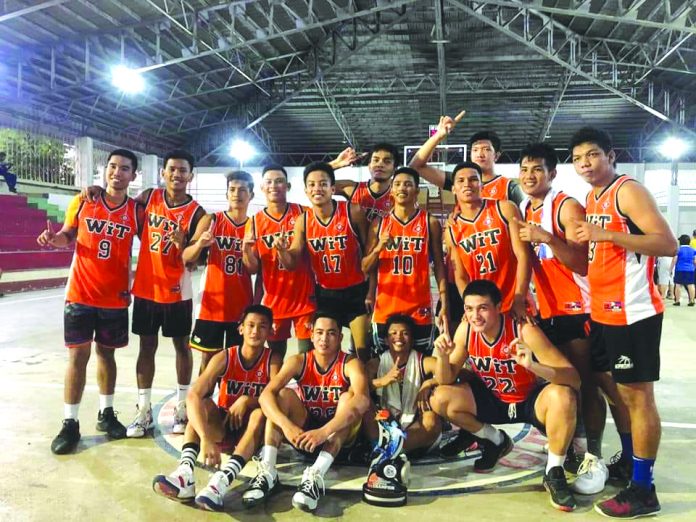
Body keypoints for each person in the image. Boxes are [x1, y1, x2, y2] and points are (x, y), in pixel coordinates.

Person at [569, 127, 677, 518]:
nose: (585, 163)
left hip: (633, 312)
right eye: (579, 158)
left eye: (593, 155)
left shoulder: (628, 190)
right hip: (603, 311)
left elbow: (667, 244)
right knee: (613, 390)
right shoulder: (592, 196)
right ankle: (632, 463)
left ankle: (643, 489)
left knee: (638, 398)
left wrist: (607, 233)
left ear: (611, 156)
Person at [515, 142, 632, 495]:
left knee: (590, 384)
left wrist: (547, 236)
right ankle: (578, 451)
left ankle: (595, 455)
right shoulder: (524, 207)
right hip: (548, 311)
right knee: (568, 385)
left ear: (552, 173)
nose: (529, 176)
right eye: (523, 170)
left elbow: (583, 263)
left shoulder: (566, 207)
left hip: (579, 309)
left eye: (537, 169)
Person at [431, 280, 581, 512]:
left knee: (563, 396)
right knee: (440, 397)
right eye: (469, 309)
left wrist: (533, 366)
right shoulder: (466, 329)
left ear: (499, 307)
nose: (475, 315)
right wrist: (441, 356)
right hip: (494, 400)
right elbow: (445, 379)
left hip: (529, 400)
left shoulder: (524, 330)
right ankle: (495, 440)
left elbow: (574, 379)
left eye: (482, 308)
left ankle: (554, 471)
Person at [38, 149, 143, 454]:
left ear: (133, 176)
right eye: (112, 166)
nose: (117, 172)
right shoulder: (85, 200)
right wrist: (53, 240)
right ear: (104, 170)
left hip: (115, 299)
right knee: (77, 359)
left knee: (107, 357)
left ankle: (106, 414)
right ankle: (70, 423)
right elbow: (66, 235)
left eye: (124, 168)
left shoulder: (136, 211)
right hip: (80, 295)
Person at [152, 305, 282, 511]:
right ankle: (185, 474)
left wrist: (247, 399)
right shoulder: (225, 357)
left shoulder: (273, 359)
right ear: (240, 329)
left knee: (259, 414)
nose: (255, 331)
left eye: (262, 326)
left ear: (270, 332)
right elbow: (193, 394)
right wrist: (205, 438)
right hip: (223, 426)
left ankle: (222, 480)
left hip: (253, 434)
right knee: (201, 405)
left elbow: (275, 397)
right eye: (250, 325)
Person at [243, 311, 370, 513]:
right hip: (306, 437)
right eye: (319, 332)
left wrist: (324, 432)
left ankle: (315, 477)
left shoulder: (350, 363)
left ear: (340, 337)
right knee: (281, 396)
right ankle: (268, 472)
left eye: (330, 333)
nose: (324, 339)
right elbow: (265, 395)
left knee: (348, 398)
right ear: (311, 336)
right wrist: (288, 426)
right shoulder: (298, 361)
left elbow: (363, 400)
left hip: (339, 439)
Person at [276, 162, 371, 360]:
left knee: (363, 352)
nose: (317, 188)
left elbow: (368, 253)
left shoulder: (353, 212)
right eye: (311, 184)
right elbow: (292, 261)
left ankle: (363, 389)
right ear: (306, 190)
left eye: (322, 183)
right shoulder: (303, 221)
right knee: (325, 350)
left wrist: (371, 291)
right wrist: (282, 251)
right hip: (326, 293)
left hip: (356, 291)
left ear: (332, 188)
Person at [362, 166, 448, 354]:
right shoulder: (379, 224)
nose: (402, 188)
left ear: (417, 191)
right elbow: (365, 266)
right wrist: (379, 248)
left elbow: (440, 266)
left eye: (408, 184)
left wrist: (444, 301)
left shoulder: (430, 222)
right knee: (383, 364)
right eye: (398, 184)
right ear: (391, 190)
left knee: (421, 363)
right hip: (386, 307)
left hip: (419, 307)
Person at [183, 171, 257, 372]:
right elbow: (186, 256)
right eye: (232, 190)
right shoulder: (212, 220)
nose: (236, 194)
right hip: (211, 304)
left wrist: (246, 251)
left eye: (242, 190)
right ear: (226, 194)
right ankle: (202, 401)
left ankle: (228, 401)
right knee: (209, 360)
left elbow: (254, 269)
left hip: (241, 305)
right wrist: (200, 244)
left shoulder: (255, 225)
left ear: (251, 195)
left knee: (238, 360)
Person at [446, 161, 532, 320]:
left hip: (514, 301)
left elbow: (523, 255)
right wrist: (469, 306)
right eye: (461, 180)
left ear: (482, 185)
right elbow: (460, 276)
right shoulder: (452, 228)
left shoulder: (505, 208)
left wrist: (519, 298)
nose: (467, 184)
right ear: (453, 189)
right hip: (482, 311)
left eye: (473, 179)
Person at [246, 165, 316, 357]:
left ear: (288, 185)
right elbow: (254, 269)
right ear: (262, 187)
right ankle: (275, 388)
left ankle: (306, 388)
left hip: (304, 299)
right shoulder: (254, 222)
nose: (274, 186)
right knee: (275, 356)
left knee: (307, 354)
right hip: (275, 300)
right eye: (269, 181)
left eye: (279, 181)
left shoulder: (304, 213)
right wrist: (245, 249)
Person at [364, 314, 441, 454]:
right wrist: (383, 381)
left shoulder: (423, 361)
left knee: (432, 419)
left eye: (405, 333)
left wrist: (429, 383)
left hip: (414, 422)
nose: (398, 337)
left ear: (412, 340)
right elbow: (358, 389)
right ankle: (392, 448)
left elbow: (452, 374)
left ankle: (391, 450)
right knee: (364, 403)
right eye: (393, 333)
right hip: (384, 419)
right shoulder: (375, 364)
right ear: (386, 340)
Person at [408, 112, 524, 204]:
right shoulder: (460, 181)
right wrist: (438, 136)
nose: (480, 154)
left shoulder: (510, 188)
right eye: (475, 150)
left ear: (497, 155)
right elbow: (416, 166)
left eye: (486, 149)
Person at [330, 143, 399, 222]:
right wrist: (336, 164)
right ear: (369, 166)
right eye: (376, 160)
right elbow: (315, 181)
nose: (380, 164)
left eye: (387, 162)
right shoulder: (352, 188)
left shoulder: (399, 194)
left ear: (395, 169)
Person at [671, 234, 696, 306]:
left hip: (680, 269)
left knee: (678, 285)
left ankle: (677, 301)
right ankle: (691, 301)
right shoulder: (693, 250)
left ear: (681, 242)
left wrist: (671, 268)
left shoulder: (678, 250)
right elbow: (695, 261)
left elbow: (674, 260)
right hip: (690, 270)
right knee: (691, 285)